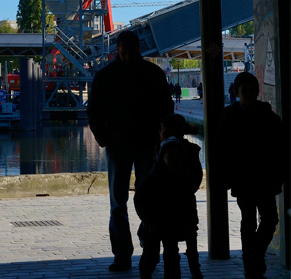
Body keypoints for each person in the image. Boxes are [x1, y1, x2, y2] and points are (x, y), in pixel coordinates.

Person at [87, 30, 175, 272]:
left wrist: (104, 137)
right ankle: (143, 249)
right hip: (140, 144)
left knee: (121, 202)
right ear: (118, 49)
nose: (127, 56)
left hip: (125, 145)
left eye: (130, 52)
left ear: (138, 49)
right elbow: (166, 109)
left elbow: (93, 111)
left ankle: (126, 254)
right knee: (144, 200)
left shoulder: (105, 76)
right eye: (124, 52)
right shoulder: (153, 74)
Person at [215, 72, 290, 279]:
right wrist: (230, 180)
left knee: (262, 220)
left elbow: (283, 150)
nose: (248, 94)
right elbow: (221, 154)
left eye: (251, 90)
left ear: (257, 91)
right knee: (258, 220)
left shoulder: (260, 118)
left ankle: (252, 257)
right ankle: (254, 261)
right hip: (247, 181)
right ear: (237, 93)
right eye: (244, 91)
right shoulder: (262, 118)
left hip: (262, 180)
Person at [134, 115, 203, 279]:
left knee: (164, 252)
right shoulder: (184, 158)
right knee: (166, 252)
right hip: (166, 217)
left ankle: (150, 272)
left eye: (162, 129)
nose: (159, 132)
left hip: (165, 217)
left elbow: (141, 196)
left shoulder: (159, 160)